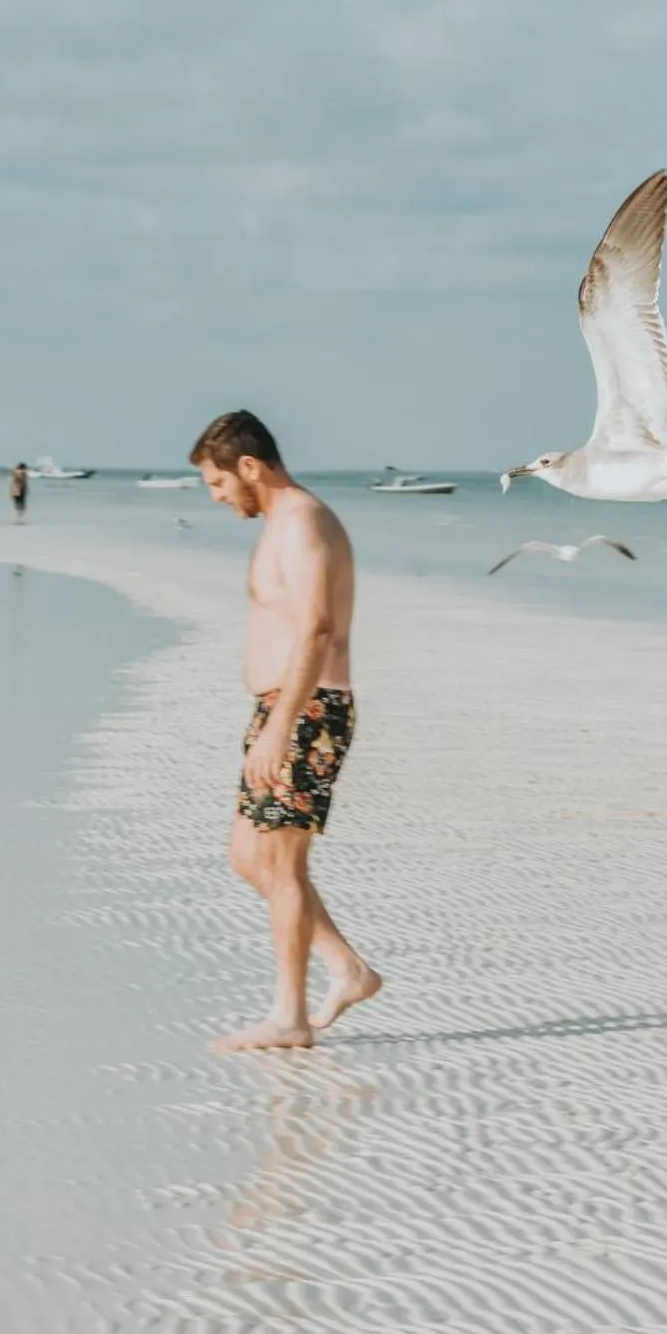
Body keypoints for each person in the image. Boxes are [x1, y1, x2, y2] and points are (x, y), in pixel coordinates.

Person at [191, 409, 381, 1051]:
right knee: (250, 855)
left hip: (306, 711)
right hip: (282, 708)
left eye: (218, 484)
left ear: (249, 466)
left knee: (279, 857)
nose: (218, 498)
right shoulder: (282, 524)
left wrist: (280, 727)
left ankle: (289, 1017)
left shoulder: (301, 522)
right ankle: (346, 969)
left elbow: (318, 628)